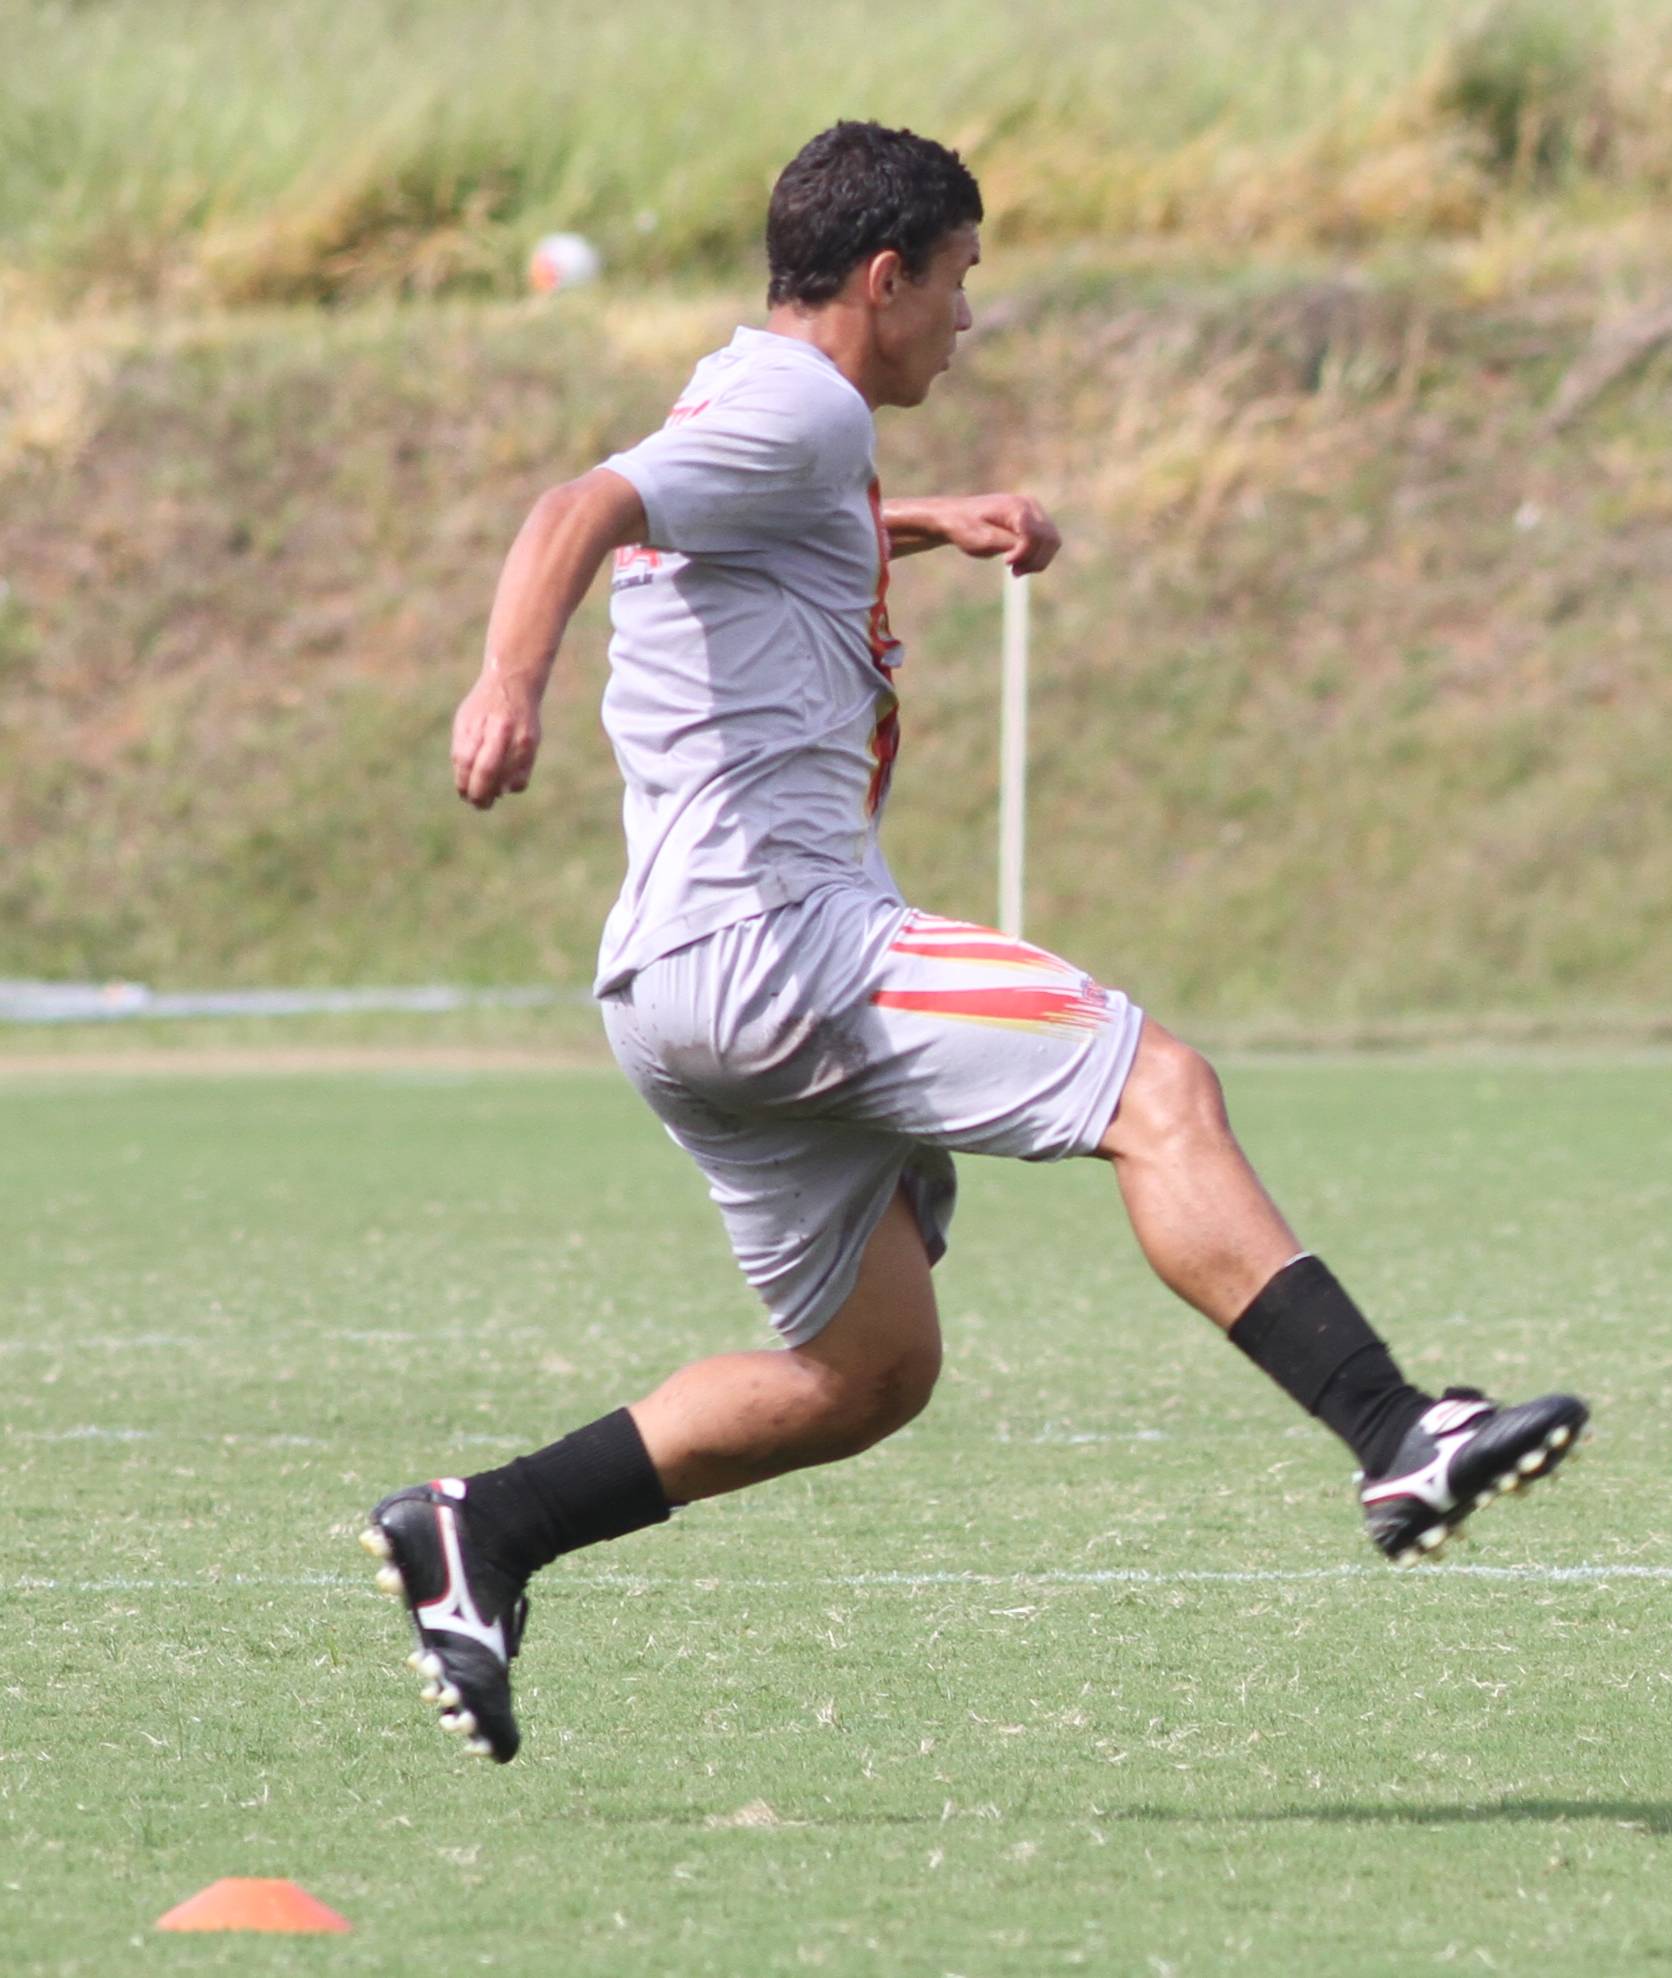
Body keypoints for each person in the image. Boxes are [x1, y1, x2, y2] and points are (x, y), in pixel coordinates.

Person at [366, 122, 1584, 1765]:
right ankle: (1398, 1430)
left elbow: (740, 525)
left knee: (867, 1371)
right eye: (958, 284)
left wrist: (934, 516)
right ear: (885, 278)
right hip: (787, 948)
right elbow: (573, 509)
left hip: (668, 995)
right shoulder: (800, 405)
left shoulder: (766, 418)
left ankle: (486, 1527)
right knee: (1158, 1083)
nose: (966, 321)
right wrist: (505, 679)